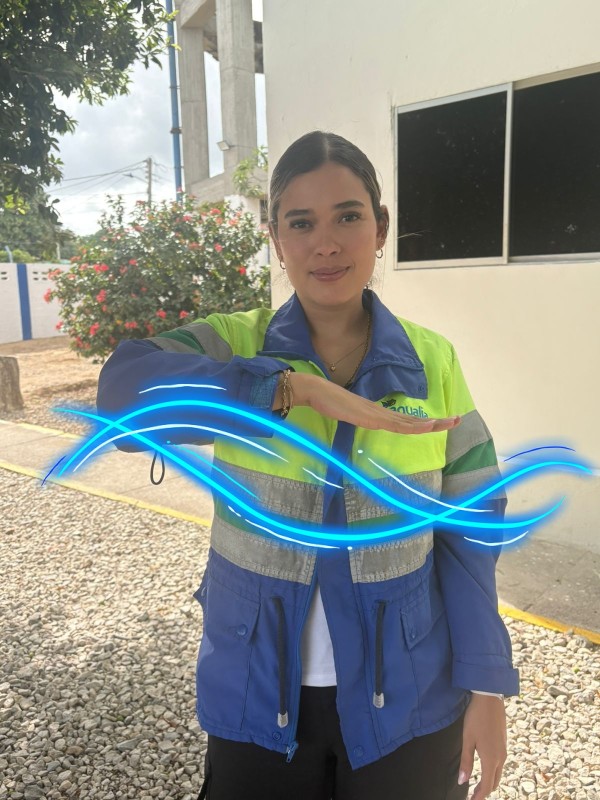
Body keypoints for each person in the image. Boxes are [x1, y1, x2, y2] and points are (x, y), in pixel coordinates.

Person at [97, 131, 519, 800]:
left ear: (380, 229)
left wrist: (487, 686)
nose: (326, 243)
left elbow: (471, 533)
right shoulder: (236, 343)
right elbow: (120, 395)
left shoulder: (433, 363)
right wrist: (286, 390)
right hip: (254, 693)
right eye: (301, 223)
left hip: (408, 702)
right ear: (275, 238)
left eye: (348, 216)